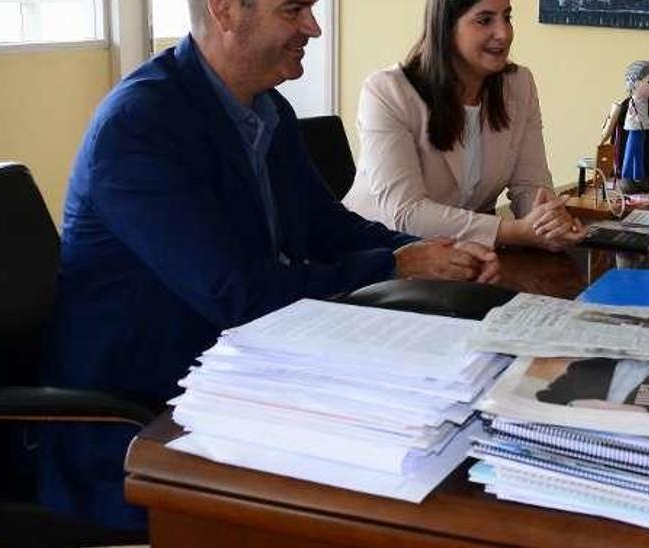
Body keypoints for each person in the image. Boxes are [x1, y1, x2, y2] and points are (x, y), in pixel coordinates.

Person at [39, 0, 499, 531]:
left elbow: (331, 230)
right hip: (139, 426)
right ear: (226, 11)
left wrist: (434, 256)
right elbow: (239, 294)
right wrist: (397, 267)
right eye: (293, 10)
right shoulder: (140, 127)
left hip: (238, 385)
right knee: (376, 505)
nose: (314, 26)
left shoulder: (267, 110)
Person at [342, 0, 584, 252]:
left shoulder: (519, 85)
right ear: (445, 28)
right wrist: (514, 232)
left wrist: (548, 225)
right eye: (484, 20)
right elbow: (406, 214)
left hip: (458, 256)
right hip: (374, 258)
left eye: (507, 17)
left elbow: (530, 185)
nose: (504, 33)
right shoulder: (387, 91)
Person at [598, 60, 649, 186]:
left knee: (638, 153)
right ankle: (626, 176)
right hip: (633, 129)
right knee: (630, 152)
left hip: (642, 130)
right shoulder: (631, 102)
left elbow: (644, 116)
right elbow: (634, 116)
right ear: (635, 82)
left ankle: (638, 176)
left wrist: (648, 124)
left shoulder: (647, 102)